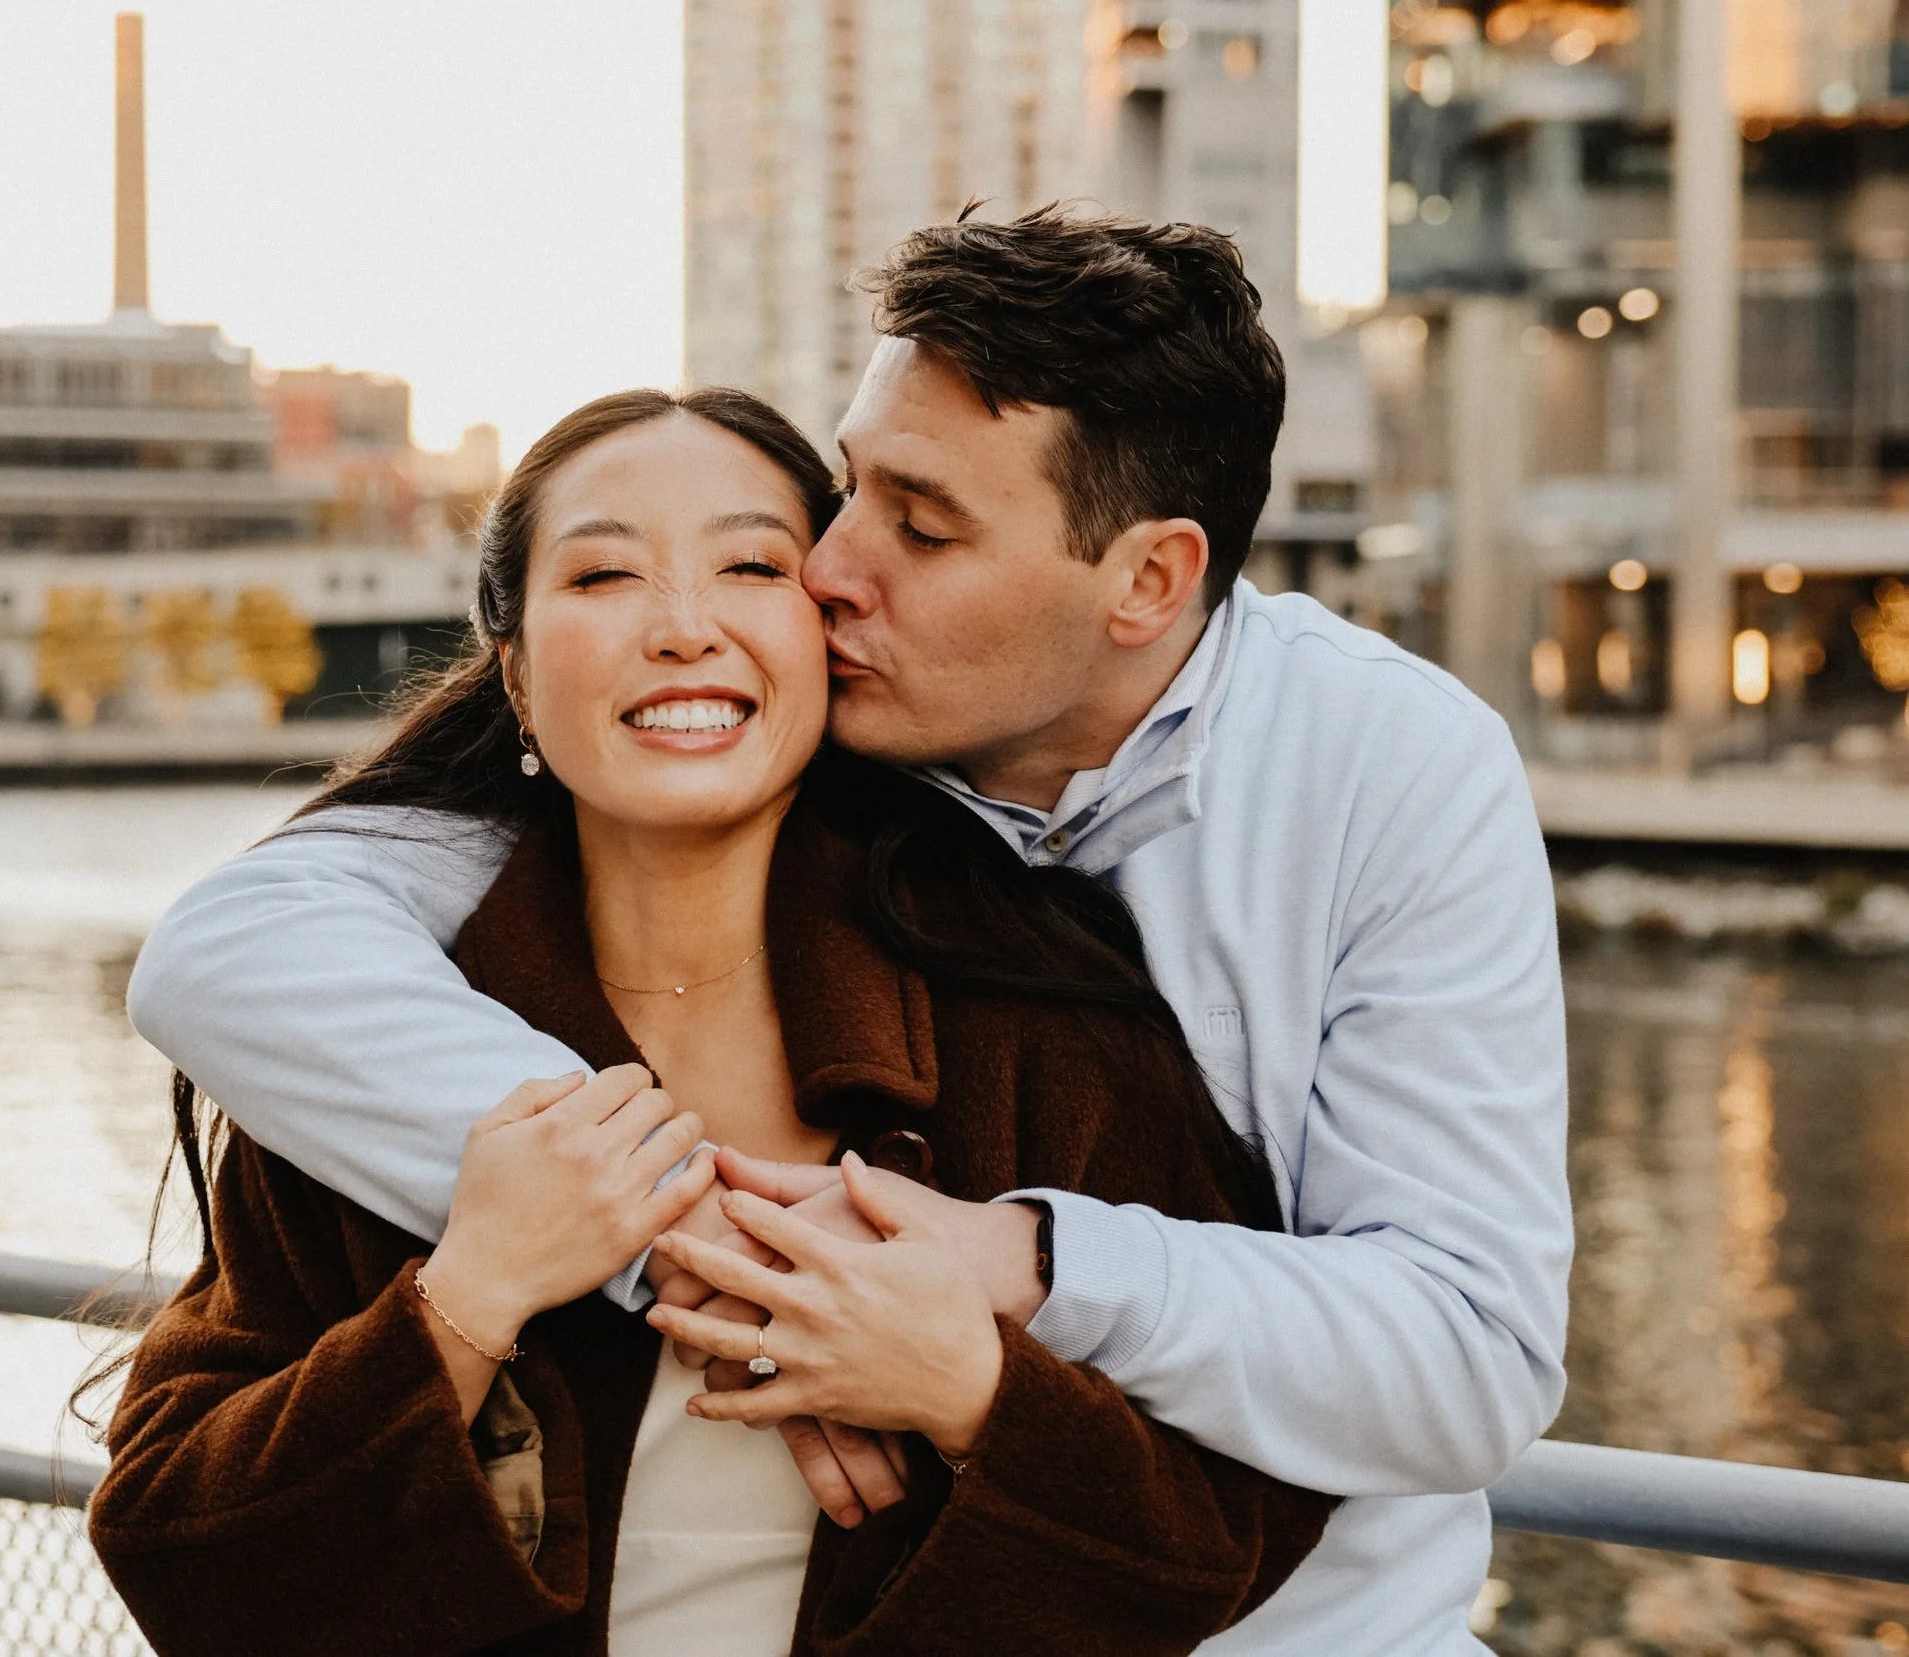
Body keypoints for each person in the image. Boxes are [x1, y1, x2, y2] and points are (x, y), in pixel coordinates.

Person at [125, 209, 1573, 1655]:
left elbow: (1468, 1355)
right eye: (847, 492)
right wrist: (662, 1236)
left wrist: (997, 1290)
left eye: (918, 526)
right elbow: (227, 949)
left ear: (1146, 581)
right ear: (512, 664)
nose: (829, 570)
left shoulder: (1355, 795)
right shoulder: (560, 895)